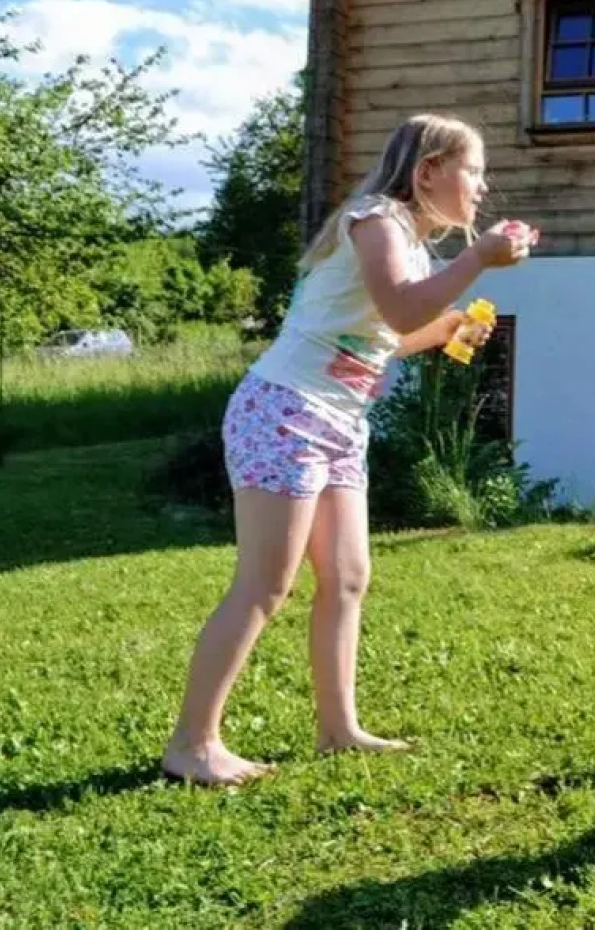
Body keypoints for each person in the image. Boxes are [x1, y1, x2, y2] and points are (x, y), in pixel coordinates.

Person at [162, 114, 538, 785]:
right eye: (473, 170)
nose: (482, 187)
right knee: (265, 584)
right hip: (285, 411)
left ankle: (338, 730)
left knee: (348, 576)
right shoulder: (376, 219)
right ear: (428, 172)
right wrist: (477, 259)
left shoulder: (413, 248)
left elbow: (387, 334)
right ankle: (192, 743)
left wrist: (449, 328)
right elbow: (397, 308)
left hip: (337, 422)